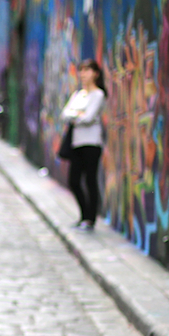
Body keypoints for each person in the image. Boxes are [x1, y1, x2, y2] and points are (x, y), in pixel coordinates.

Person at [60, 60, 107, 230]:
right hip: (76, 143)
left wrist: (77, 115)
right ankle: (83, 215)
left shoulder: (98, 95)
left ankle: (90, 218)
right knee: (73, 181)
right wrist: (79, 114)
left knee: (90, 180)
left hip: (92, 143)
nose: (83, 74)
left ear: (96, 73)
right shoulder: (79, 95)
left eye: (87, 70)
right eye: (81, 71)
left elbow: (89, 118)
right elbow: (65, 114)